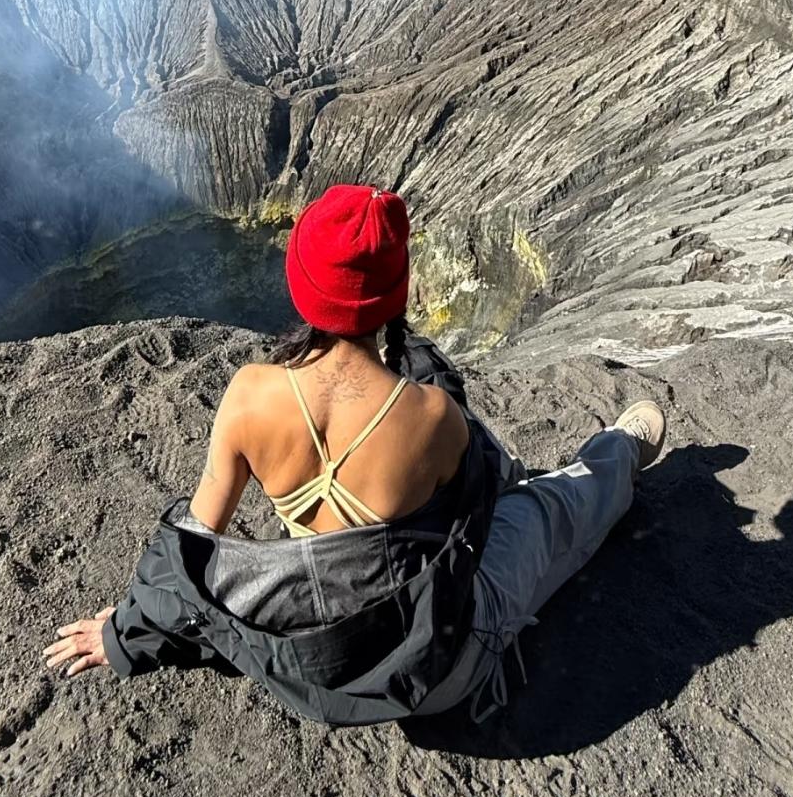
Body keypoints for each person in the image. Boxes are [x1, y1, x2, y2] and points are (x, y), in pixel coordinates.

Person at [43, 183, 666, 725]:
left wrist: (123, 633)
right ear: (395, 295)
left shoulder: (249, 396)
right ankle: (619, 453)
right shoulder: (432, 415)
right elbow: (471, 531)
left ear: (302, 284)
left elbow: (190, 545)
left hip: (316, 661)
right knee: (544, 509)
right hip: (436, 671)